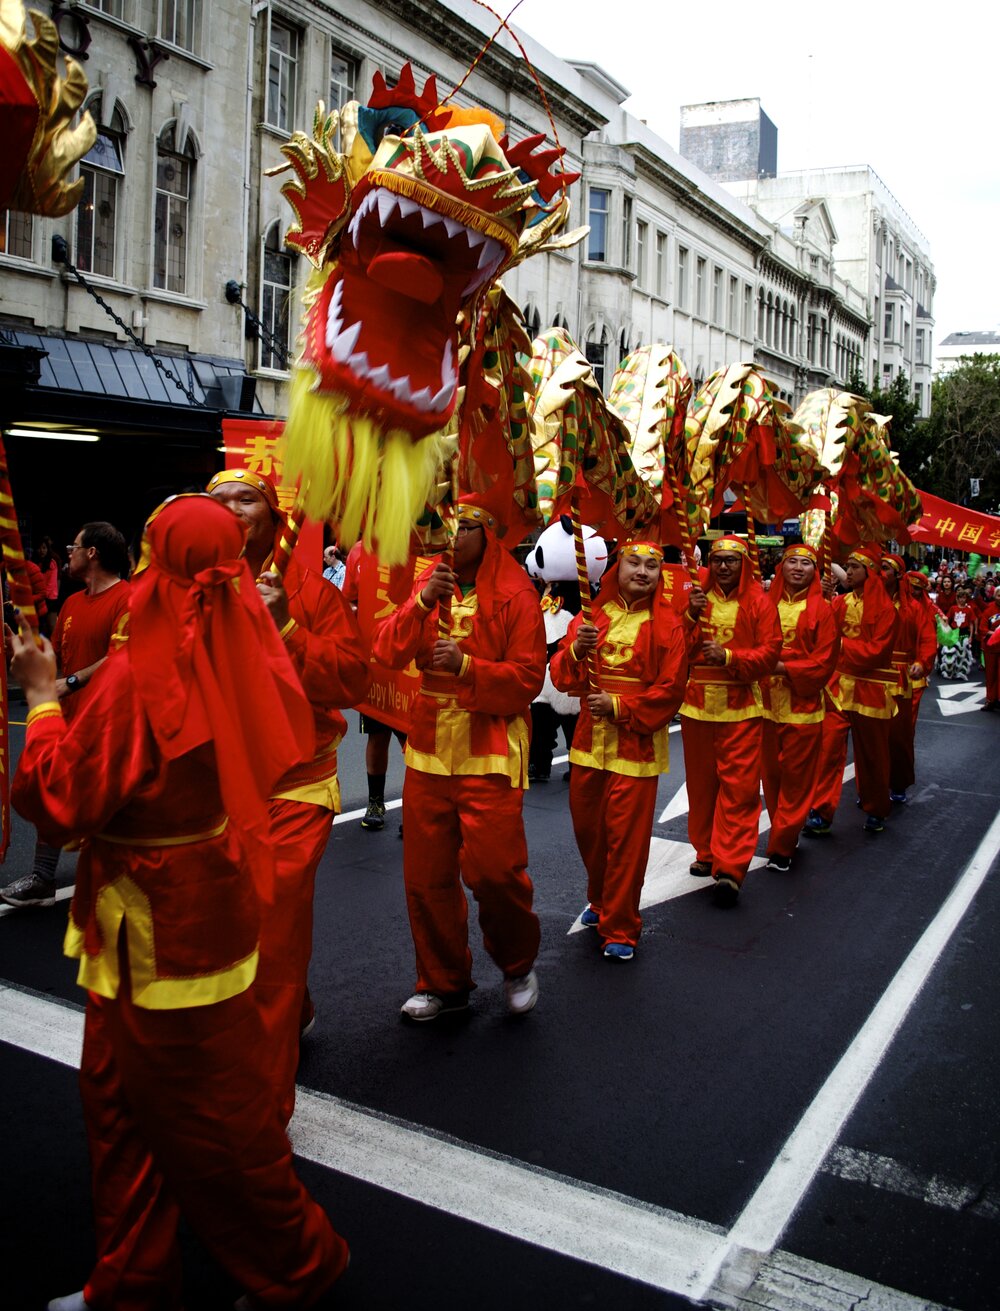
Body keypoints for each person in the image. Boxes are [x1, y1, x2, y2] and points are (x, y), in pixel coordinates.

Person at [10, 495, 349, 1311]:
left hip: (160, 928)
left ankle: (300, 1264)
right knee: (120, 1100)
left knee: (209, 1124)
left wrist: (43, 697)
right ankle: (132, 1275)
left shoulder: (147, 672)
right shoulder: (240, 638)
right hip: (183, 907)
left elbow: (60, 799)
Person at [207, 469, 369, 1121]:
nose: (229, 509)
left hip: (295, 787)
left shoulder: (310, 593)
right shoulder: (185, 587)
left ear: (276, 520)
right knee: (223, 929)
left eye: (244, 499)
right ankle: (291, 1007)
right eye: (216, 500)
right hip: (215, 790)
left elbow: (351, 680)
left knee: (272, 934)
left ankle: (262, 1110)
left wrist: (289, 628)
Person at [372, 496, 545, 1020]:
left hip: (488, 750)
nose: (451, 535)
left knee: (496, 874)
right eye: (445, 525)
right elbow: (386, 650)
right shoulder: (429, 581)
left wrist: (468, 667)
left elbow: (528, 678)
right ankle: (442, 981)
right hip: (428, 749)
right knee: (425, 878)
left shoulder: (516, 592)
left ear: (486, 534)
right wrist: (421, 604)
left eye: (463, 527)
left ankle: (516, 962)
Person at [550, 541, 688, 958]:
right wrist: (577, 650)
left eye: (651, 566)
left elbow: (671, 689)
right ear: (618, 567)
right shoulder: (591, 618)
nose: (642, 572)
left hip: (637, 747)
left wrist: (619, 706)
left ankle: (621, 927)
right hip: (588, 743)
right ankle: (600, 899)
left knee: (626, 841)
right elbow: (561, 677)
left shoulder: (669, 625)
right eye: (634, 563)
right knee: (589, 832)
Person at [1, 521, 130, 909]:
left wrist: (68, 683)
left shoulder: (128, 599)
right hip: (68, 720)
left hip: (107, 723)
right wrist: (24, 653)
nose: (68, 553)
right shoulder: (73, 603)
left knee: (109, 804)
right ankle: (42, 877)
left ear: (92, 553)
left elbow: (122, 656)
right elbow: (55, 654)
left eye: (73, 547)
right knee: (52, 791)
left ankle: (114, 874)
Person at [680, 537, 781, 905]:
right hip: (697, 706)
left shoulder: (759, 602)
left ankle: (731, 868)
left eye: (731, 561)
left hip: (740, 706)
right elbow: (675, 647)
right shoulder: (696, 599)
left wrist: (729, 657)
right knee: (701, 786)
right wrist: (689, 617)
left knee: (739, 789)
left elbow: (770, 652)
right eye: (718, 560)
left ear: (744, 564)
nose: (723, 567)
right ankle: (706, 851)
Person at [805, 545, 898, 836]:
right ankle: (821, 810)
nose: (849, 572)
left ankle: (876, 807)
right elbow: (818, 626)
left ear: (869, 572)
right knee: (828, 750)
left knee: (872, 754)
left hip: (870, 689)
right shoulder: (841, 602)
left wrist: (841, 644)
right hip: (838, 686)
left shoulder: (886, 609)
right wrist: (820, 597)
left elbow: (877, 652)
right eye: (848, 566)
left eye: (855, 567)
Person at [759, 544, 839, 872]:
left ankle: (781, 845)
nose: (797, 567)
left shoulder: (823, 611)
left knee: (797, 780)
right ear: (781, 567)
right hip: (765, 707)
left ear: (814, 571)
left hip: (803, 708)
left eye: (805, 563)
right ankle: (785, 830)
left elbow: (823, 662)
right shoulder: (765, 605)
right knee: (771, 778)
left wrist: (781, 666)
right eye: (791, 561)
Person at [881, 555, 936, 804]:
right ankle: (871, 789)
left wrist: (922, 663)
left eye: (885, 569)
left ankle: (898, 783)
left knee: (900, 735)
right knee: (870, 738)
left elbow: (927, 639)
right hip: (869, 677)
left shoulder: (914, 609)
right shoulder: (862, 602)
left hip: (904, 678)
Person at [529, 580, 581, 783]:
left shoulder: (576, 591)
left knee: (571, 722)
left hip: (566, 663)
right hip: (545, 666)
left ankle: (576, 764)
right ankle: (539, 763)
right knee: (540, 720)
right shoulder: (542, 592)